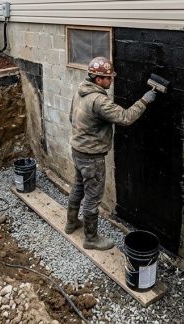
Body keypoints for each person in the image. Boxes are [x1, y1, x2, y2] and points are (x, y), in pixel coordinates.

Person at [65, 56, 157, 250]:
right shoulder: (99, 100)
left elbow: (70, 117)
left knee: (78, 187)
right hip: (91, 157)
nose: (112, 80)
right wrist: (144, 100)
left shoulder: (81, 90)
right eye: (108, 78)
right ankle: (91, 239)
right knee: (92, 198)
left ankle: (71, 223)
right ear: (98, 79)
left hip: (78, 150)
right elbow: (125, 117)